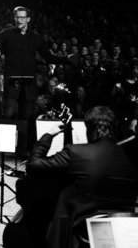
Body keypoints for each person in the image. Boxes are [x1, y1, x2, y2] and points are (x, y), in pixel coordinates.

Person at [26, 105, 138, 248]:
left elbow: (34, 165)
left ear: (88, 129)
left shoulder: (76, 152)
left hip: (82, 232)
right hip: (123, 231)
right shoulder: (131, 157)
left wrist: (49, 134)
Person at [0, 6, 74, 121]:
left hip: (29, 86)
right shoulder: (7, 34)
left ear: (28, 19)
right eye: (17, 17)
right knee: (8, 116)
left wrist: (66, 59)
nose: (19, 20)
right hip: (12, 84)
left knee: (27, 119)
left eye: (22, 17)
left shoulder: (36, 37)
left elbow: (49, 57)